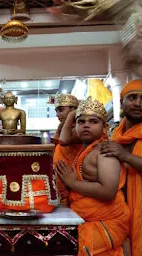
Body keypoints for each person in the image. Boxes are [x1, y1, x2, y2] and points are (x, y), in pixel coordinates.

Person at [55, 96, 130, 255]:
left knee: (67, 246)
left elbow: (108, 191)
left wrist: (72, 182)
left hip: (107, 222)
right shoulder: (87, 150)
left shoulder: (104, 151)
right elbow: (64, 139)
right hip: (89, 220)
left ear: (104, 127)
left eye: (93, 121)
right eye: (81, 122)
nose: (86, 125)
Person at [100, 79, 142, 256]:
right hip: (120, 210)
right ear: (121, 102)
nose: (138, 103)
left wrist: (125, 156)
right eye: (132, 97)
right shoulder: (116, 135)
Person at [53, 94, 82, 206]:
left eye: (61, 110)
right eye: (56, 111)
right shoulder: (64, 127)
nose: (57, 114)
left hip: (73, 177)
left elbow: (63, 141)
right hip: (62, 176)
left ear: (73, 109)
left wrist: (71, 116)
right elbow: (54, 146)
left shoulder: (80, 126)